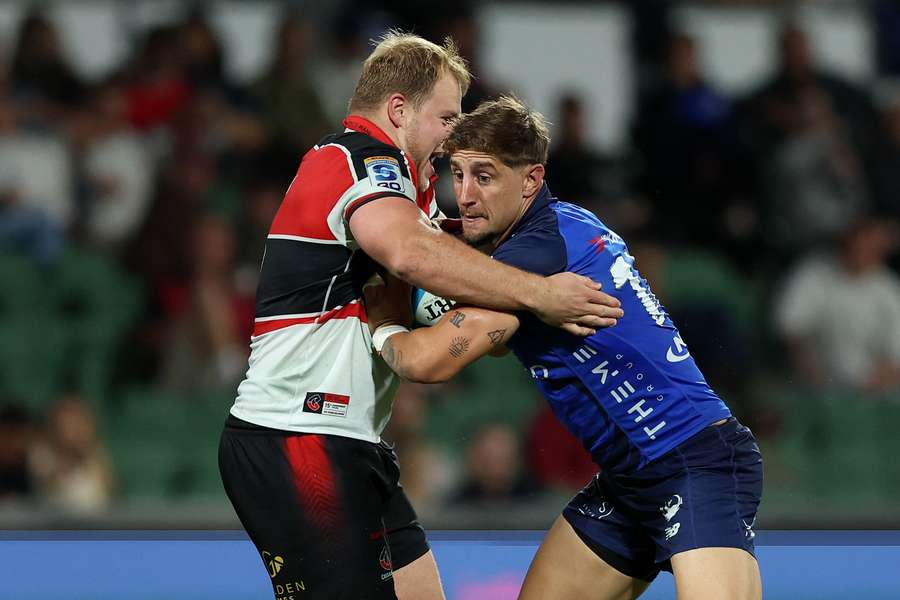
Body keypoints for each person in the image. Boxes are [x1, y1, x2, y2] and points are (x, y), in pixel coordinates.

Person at [218, 33, 623, 600]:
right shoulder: (357, 158)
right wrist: (537, 294)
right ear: (399, 110)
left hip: (354, 442)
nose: (454, 135)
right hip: (296, 433)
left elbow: (445, 290)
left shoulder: (413, 190)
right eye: (446, 117)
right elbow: (411, 254)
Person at [365, 96, 763, 600]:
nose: (463, 195)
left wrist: (382, 323)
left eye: (484, 177)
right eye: (457, 174)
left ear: (530, 180)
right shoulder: (559, 226)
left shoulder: (533, 256)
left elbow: (426, 359)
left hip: (693, 460)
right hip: (630, 476)